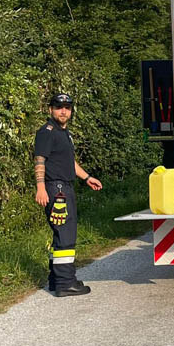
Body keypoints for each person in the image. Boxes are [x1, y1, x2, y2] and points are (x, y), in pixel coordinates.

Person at [33, 93, 102, 296]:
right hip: (57, 190)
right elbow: (40, 160)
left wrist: (86, 177)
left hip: (64, 187)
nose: (63, 111)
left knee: (60, 234)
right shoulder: (47, 132)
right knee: (65, 234)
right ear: (50, 110)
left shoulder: (63, 132)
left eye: (67, 108)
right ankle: (65, 283)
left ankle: (56, 280)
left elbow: (68, 161)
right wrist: (40, 187)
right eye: (58, 107)